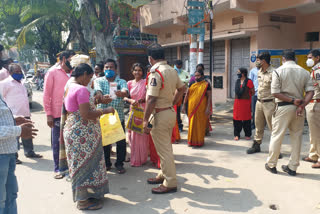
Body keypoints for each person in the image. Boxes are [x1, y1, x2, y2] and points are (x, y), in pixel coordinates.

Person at [62, 63, 112, 210]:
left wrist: (98, 101)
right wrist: (105, 110)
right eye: (90, 77)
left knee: (80, 165)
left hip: (75, 131)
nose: (90, 81)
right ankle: (83, 201)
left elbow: (80, 107)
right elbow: (86, 114)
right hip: (82, 133)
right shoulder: (81, 89)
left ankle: (88, 196)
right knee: (84, 165)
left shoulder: (70, 86)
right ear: (83, 74)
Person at [143, 45, 185, 194]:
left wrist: (145, 120)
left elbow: (152, 99)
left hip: (159, 114)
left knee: (164, 150)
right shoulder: (172, 70)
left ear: (151, 58)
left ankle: (170, 182)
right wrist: (173, 102)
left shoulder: (156, 72)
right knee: (165, 147)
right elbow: (182, 88)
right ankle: (163, 174)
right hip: (169, 111)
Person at [265, 51, 314, 176]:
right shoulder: (304, 72)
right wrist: (302, 105)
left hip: (283, 107)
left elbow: (275, 92)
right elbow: (310, 92)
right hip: (299, 109)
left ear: (283, 59)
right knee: (297, 137)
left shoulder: (278, 71)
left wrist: (292, 100)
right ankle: (292, 167)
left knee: (277, 136)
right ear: (295, 59)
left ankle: (272, 164)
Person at [0, 93, 38, 214]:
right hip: (2, 156)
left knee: (10, 195)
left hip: (8, 153)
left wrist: (13, 119)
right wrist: (19, 130)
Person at [43, 50, 75, 179]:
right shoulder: (52, 72)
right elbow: (46, 95)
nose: (72, 63)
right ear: (63, 59)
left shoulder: (75, 73)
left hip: (73, 112)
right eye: (70, 60)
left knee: (71, 141)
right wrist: (48, 114)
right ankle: (58, 168)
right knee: (58, 141)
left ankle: (71, 167)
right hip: (57, 113)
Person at [0, 63, 42, 159]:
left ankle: (29, 152)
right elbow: (2, 99)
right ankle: (14, 156)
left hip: (25, 113)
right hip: (13, 114)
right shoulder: (5, 83)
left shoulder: (22, 82)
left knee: (27, 133)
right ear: (10, 72)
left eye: (20, 71)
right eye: (16, 72)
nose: (19, 73)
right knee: (15, 136)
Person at [94, 58, 128, 174]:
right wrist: (101, 97)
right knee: (105, 142)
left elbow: (125, 90)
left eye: (111, 67)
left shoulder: (121, 81)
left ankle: (119, 164)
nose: (109, 69)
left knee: (121, 142)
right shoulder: (99, 80)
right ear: (103, 69)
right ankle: (107, 163)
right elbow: (97, 91)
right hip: (104, 116)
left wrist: (121, 93)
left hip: (118, 116)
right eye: (106, 67)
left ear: (116, 69)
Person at [247, 52, 276, 154]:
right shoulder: (259, 72)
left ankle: (275, 150)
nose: (257, 61)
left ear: (264, 61)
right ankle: (256, 145)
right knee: (258, 125)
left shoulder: (274, 72)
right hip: (259, 102)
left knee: (273, 127)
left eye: (258, 59)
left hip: (270, 103)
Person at [124, 63, 149, 167]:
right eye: (135, 70)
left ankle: (142, 158)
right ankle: (134, 157)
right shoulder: (129, 83)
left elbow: (149, 97)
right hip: (133, 110)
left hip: (143, 110)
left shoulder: (145, 83)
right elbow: (124, 97)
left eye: (139, 70)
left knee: (141, 135)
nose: (137, 72)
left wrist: (142, 100)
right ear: (132, 71)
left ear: (142, 72)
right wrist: (131, 100)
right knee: (132, 135)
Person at [182, 69, 212, 147]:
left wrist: (208, 107)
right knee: (191, 124)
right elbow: (187, 95)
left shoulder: (206, 84)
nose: (196, 77)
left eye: (198, 75)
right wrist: (184, 106)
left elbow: (209, 97)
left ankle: (199, 141)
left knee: (200, 124)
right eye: (195, 76)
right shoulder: (191, 84)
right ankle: (191, 141)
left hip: (201, 107)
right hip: (191, 107)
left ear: (202, 76)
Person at [303, 50, 320, 168]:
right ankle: (314, 155)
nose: (308, 59)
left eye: (310, 57)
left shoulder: (318, 71)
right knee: (313, 132)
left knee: (317, 133)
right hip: (312, 104)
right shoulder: (314, 70)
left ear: (317, 57)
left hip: (316, 104)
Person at [233, 68, 254, 141]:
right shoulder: (237, 81)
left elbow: (253, 92)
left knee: (246, 119)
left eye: (238, 72)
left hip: (246, 103)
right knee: (237, 118)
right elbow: (236, 91)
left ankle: (247, 134)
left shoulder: (249, 81)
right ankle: (237, 134)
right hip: (237, 102)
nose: (237, 73)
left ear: (243, 73)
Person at [174, 60, 190, 132]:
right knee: (177, 110)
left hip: (184, 93)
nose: (178, 68)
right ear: (175, 65)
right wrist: (182, 81)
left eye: (180, 67)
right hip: (175, 94)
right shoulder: (172, 72)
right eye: (177, 67)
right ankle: (179, 125)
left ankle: (189, 122)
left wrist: (181, 81)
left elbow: (188, 79)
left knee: (186, 108)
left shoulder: (184, 72)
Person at [248, 64, 259, 130]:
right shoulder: (253, 71)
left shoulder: (268, 71)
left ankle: (263, 124)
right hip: (255, 94)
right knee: (254, 110)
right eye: (257, 60)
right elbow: (250, 81)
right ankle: (254, 124)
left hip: (264, 94)